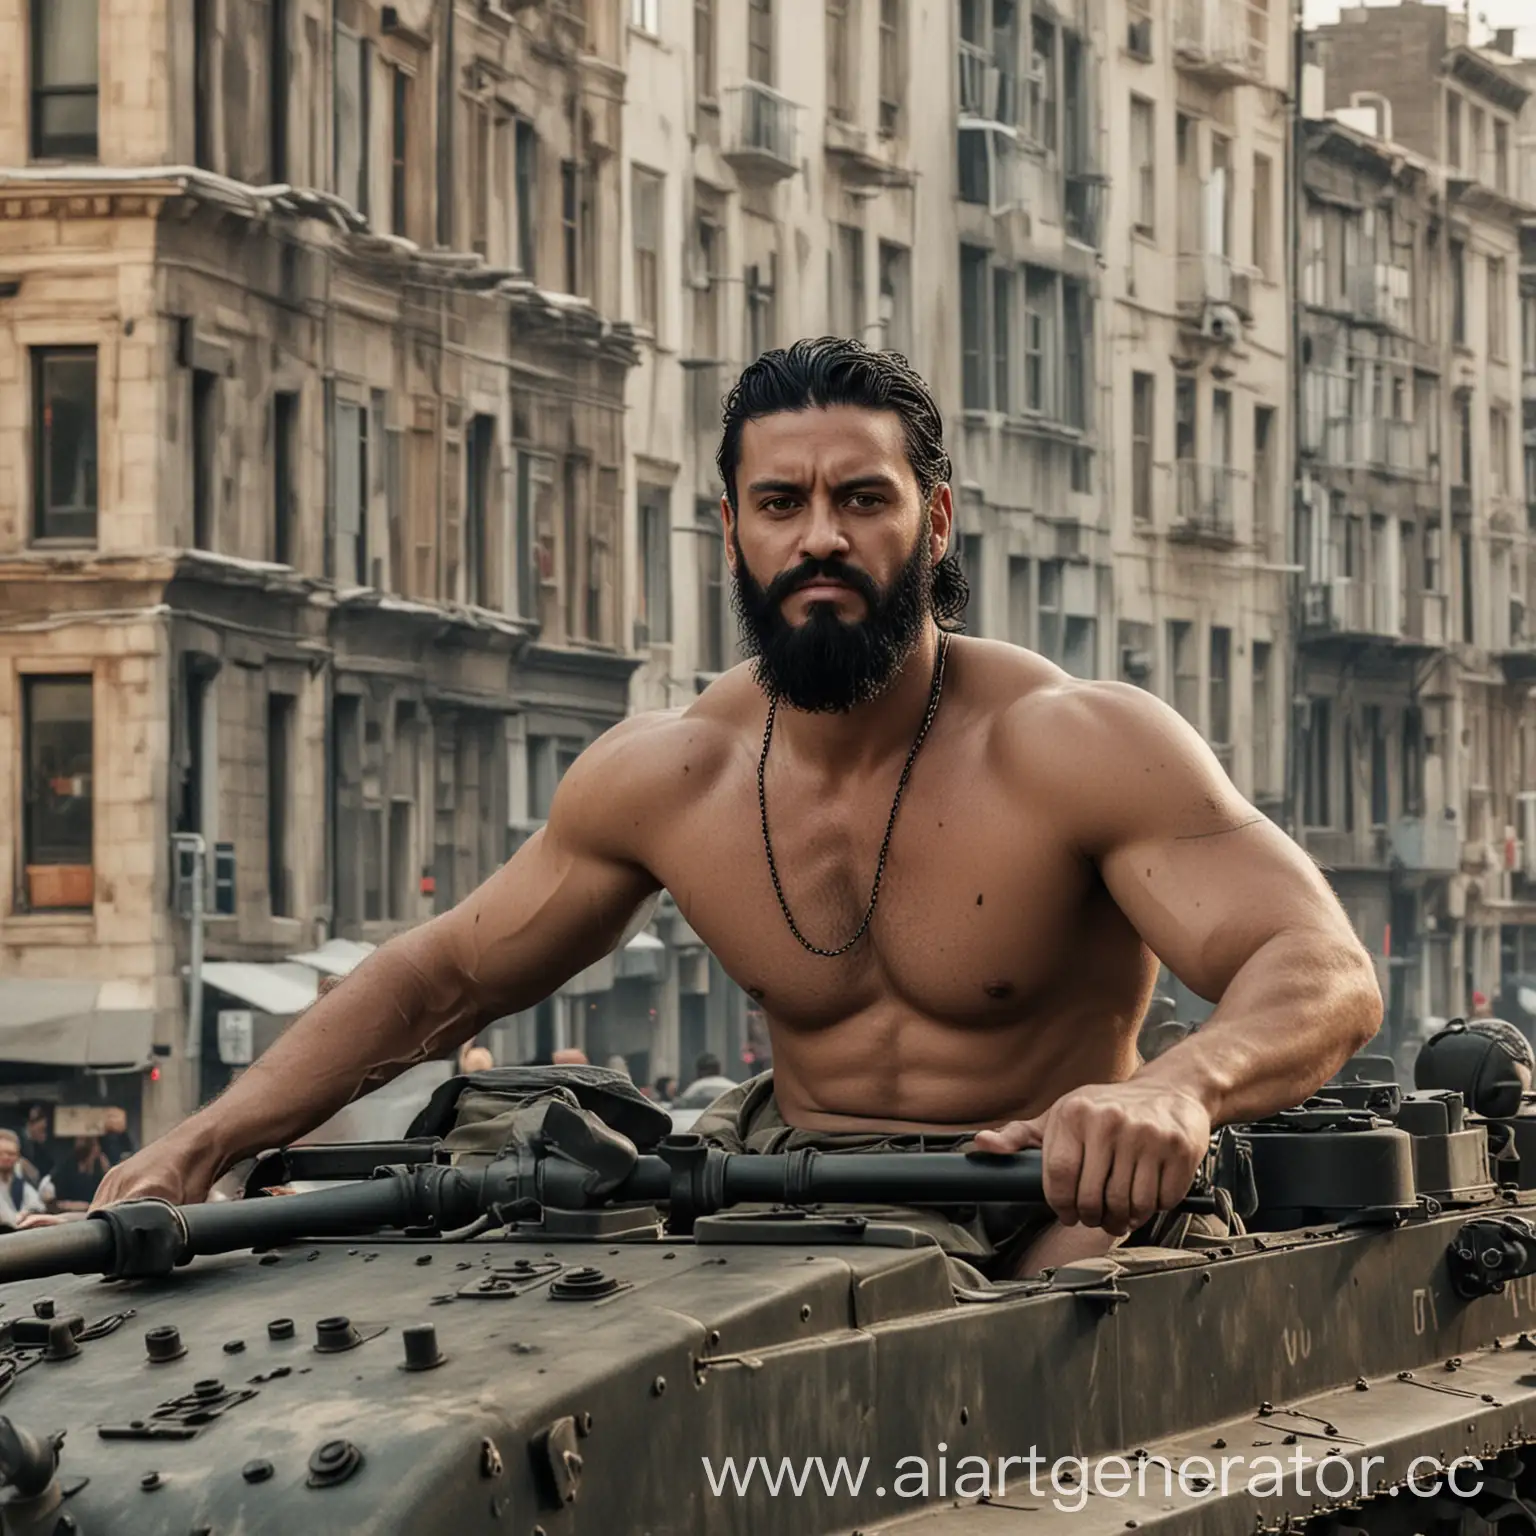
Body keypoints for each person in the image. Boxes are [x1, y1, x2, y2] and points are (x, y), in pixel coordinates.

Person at [93, 337, 1380, 1276]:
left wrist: (1175, 1090)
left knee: (1053, 1369)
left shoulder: (1077, 745)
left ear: (932, 524)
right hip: (793, 1199)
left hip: (1051, 1205)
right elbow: (440, 978)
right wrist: (197, 1145)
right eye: (782, 504)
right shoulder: (673, 772)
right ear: (733, 534)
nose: (820, 536)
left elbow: (1319, 965)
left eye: (861, 499)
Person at [43, 1136, 110, 1212]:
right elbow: (53, 1197)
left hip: (91, 1210)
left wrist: (107, 1172)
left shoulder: (99, 1167)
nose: (98, 1149)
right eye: (95, 1145)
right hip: (67, 1211)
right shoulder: (67, 1166)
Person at [0, 1130, 46, 1229]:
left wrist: (28, 1213)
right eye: (1, 1153)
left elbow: (38, 1207)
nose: (6, 1157)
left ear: (17, 1157)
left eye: (11, 1153)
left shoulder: (20, 1185)